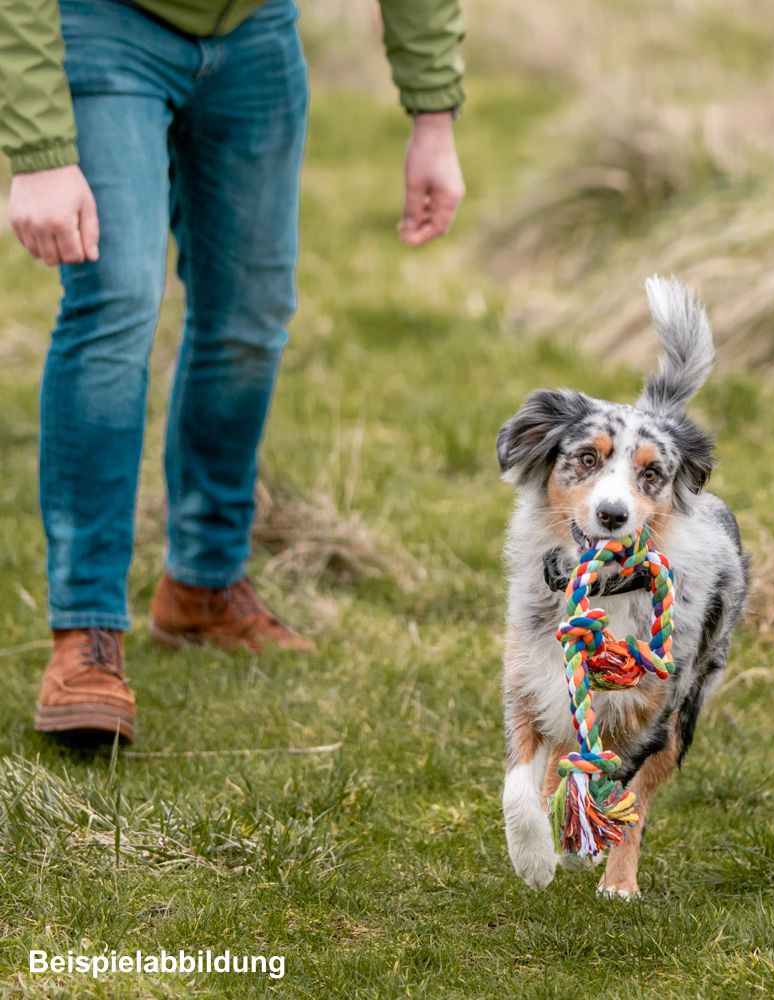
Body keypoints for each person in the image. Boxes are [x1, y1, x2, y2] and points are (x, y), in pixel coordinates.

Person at [0, 0, 466, 744]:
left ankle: (203, 587)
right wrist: (41, 151)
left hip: (254, 35)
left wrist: (433, 114)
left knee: (252, 313)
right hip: (102, 26)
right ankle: (83, 635)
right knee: (116, 299)